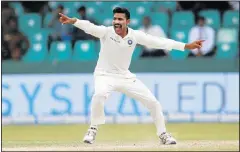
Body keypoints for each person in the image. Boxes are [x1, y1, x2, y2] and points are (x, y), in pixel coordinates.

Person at [58, 7, 204, 145]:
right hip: (104, 75)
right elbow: (90, 27)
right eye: (115, 19)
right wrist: (74, 21)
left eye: (120, 19)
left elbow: (159, 42)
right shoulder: (106, 32)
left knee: (153, 103)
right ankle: (93, 128)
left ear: (127, 22)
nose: (116, 22)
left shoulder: (135, 35)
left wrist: (185, 46)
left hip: (125, 76)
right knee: (99, 94)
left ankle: (163, 134)